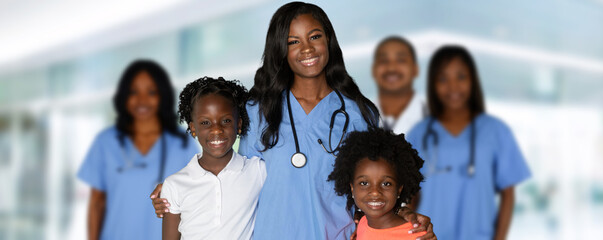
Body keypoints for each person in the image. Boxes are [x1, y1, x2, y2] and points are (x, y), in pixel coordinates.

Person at [151, 2, 436, 240]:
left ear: (329, 41)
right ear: (281, 50)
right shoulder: (256, 110)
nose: (307, 49)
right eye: (293, 41)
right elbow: (231, 170)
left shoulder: (358, 114)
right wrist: (180, 186)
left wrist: (406, 213)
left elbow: (383, 179)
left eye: (315, 37)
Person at [405, 46, 532, 240]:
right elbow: (410, 196)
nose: (453, 86)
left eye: (461, 77)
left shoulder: (496, 131)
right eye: (443, 79)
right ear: (432, 84)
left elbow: (508, 194)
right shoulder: (419, 133)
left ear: (473, 81)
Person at [78, 60, 199, 240]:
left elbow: (196, 201)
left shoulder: (182, 144)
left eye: (151, 92)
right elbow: (96, 203)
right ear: (124, 96)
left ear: (163, 96)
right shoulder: (106, 142)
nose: (142, 100)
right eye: (134, 92)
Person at [161, 77, 265, 240]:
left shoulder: (257, 171)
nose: (216, 130)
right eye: (205, 123)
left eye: (225, 121)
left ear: (238, 125)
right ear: (193, 128)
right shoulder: (174, 185)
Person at [328, 128, 425, 240]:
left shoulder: (415, 235)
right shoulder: (363, 223)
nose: (375, 192)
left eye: (386, 184)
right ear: (352, 187)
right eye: (364, 183)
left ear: (399, 189)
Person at [371, 36, 426, 134]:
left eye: (401, 60)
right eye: (383, 61)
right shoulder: (358, 117)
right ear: (374, 70)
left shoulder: (436, 119)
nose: (391, 68)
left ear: (415, 69)